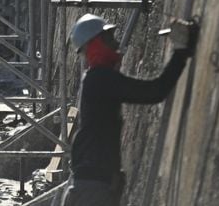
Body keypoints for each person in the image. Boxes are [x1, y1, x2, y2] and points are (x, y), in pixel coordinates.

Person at [61, 13, 199, 206]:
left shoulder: (97, 78)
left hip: (90, 186)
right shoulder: (101, 79)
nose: (116, 43)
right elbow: (155, 92)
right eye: (108, 38)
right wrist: (180, 51)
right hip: (93, 190)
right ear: (95, 44)